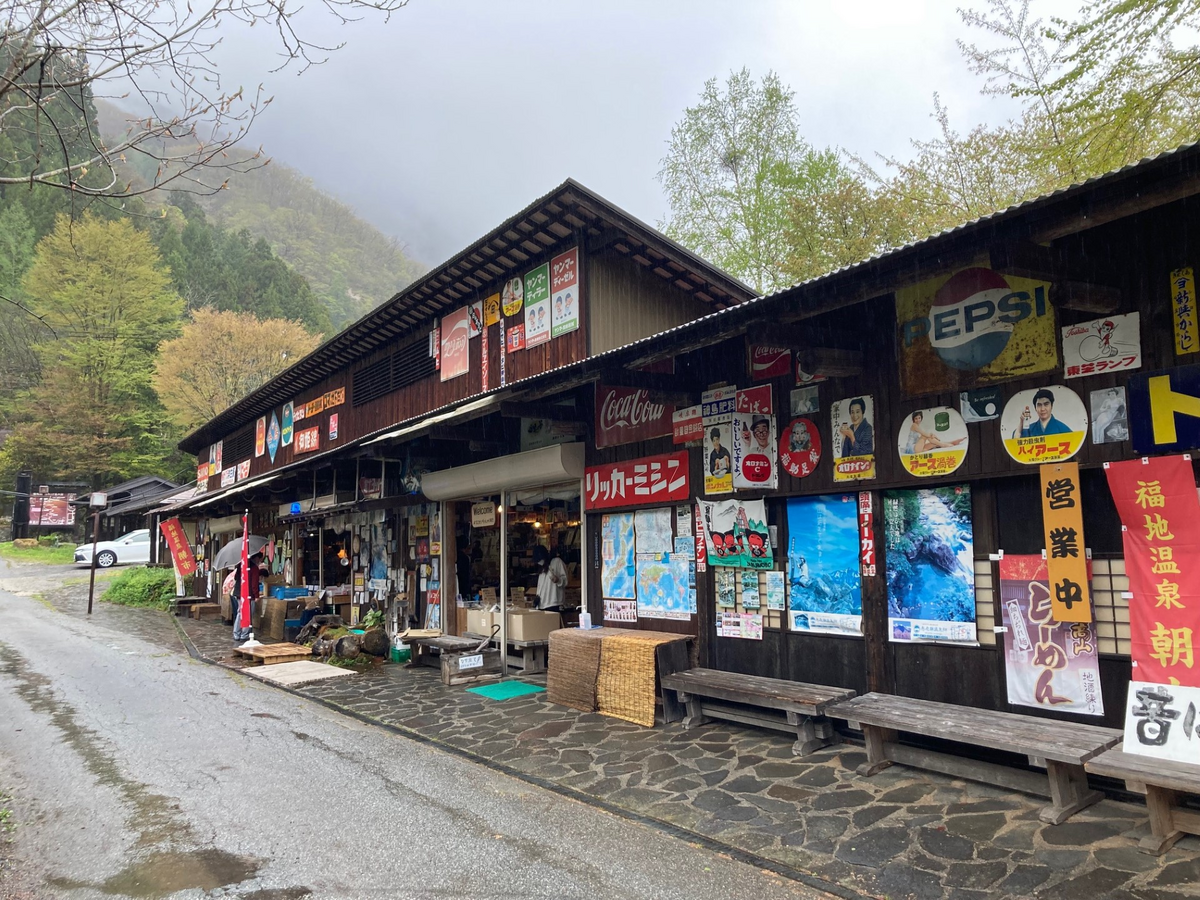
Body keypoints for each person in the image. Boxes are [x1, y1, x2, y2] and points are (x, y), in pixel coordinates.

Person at [230, 551, 265, 642]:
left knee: (240, 612)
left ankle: (236, 633)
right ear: (256, 558)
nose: (259, 561)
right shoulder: (254, 568)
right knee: (248, 614)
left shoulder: (241, 564)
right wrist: (256, 595)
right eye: (259, 559)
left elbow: (236, 577)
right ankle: (244, 634)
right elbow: (254, 584)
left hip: (239, 592)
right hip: (249, 594)